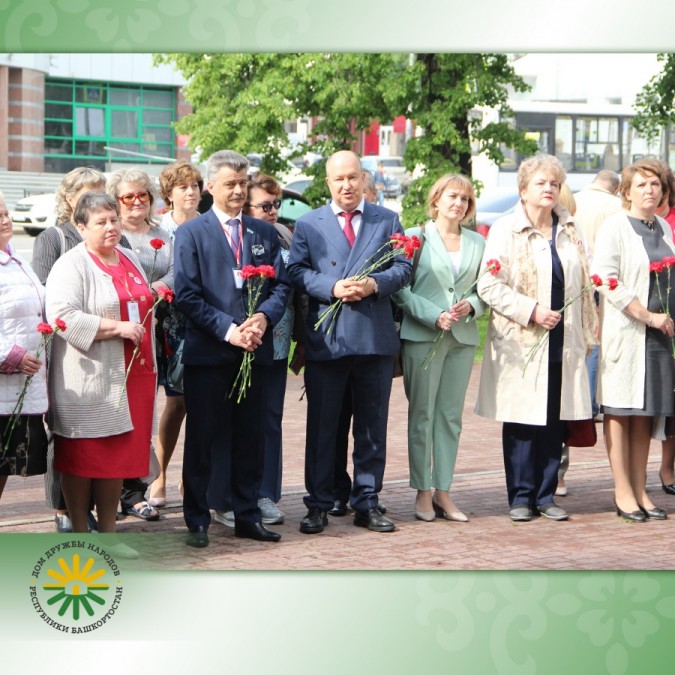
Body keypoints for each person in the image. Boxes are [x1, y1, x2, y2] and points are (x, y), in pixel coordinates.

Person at [287, 150, 412, 534]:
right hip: (329, 340)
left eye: (353, 177)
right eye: (339, 179)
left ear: (363, 179)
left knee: (372, 428)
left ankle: (367, 501)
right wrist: (331, 286)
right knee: (324, 428)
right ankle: (319, 503)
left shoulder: (386, 219)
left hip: (373, 339)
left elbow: (404, 267)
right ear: (328, 183)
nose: (347, 185)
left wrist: (375, 284)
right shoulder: (309, 224)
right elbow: (295, 271)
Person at [174, 150, 290, 548]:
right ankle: (197, 520)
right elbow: (187, 295)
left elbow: (281, 285)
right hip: (210, 354)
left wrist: (263, 319)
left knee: (250, 438)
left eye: (243, 183)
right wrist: (229, 330)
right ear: (210, 186)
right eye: (230, 184)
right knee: (203, 439)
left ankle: (247, 515)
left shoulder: (263, 233)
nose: (239, 191)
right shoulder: (191, 233)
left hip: (254, 351)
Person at [476, 154, 597, 522]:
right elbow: (488, 285)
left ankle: (546, 495)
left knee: (554, 419)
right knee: (523, 419)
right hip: (523, 340)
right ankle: (520, 496)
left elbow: (586, 280)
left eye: (554, 183)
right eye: (541, 183)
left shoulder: (570, 229)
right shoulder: (505, 229)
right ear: (523, 190)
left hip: (565, 338)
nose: (549, 189)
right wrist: (531, 310)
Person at [45, 192, 155, 535]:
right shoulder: (71, 264)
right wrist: (116, 328)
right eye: (101, 222)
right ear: (81, 228)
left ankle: (108, 533)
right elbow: (62, 317)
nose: (111, 227)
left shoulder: (128, 257)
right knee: (83, 458)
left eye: (113, 220)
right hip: (90, 380)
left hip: (132, 376)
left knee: (116, 459)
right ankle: (80, 529)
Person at [393, 174, 485, 522]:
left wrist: (473, 305)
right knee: (422, 415)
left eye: (465, 199)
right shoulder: (414, 237)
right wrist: (433, 315)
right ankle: (422, 490)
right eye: (452, 196)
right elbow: (400, 288)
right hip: (422, 336)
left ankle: (443, 491)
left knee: (450, 417)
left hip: (462, 339)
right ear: (436, 200)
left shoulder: (478, 242)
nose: (459, 203)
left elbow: (486, 288)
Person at [209, 172, 297, 527]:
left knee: (269, 419)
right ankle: (227, 496)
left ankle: (265, 493)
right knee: (230, 422)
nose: (273, 211)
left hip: (274, 340)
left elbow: (288, 286)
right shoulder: (233, 236)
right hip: (234, 339)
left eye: (276, 204)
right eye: (265, 205)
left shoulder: (283, 235)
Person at [591, 158, 675, 522]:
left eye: (655, 184)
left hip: (659, 337)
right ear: (626, 192)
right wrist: (646, 315)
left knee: (645, 413)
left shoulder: (663, 227)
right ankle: (623, 491)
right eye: (641, 185)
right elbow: (604, 279)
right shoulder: (615, 227)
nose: (649, 190)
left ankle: (641, 489)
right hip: (628, 332)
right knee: (620, 411)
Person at [31, 166, 108, 533]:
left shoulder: (114, 235)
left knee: (98, 431)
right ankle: (63, 507)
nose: (98, 200)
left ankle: (89, 507)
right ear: (69, 198)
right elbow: (47, 293)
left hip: (106, 352)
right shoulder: (54, 238)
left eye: (103, 192)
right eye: (89, 193)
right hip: (65, 348)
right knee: (63, 429)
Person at [107, 168, 173, 522]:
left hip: (158, 331)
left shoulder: (162, 234)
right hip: (119, 336)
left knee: (146, 413)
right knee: (119, 411)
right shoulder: (111, 234)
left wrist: (152, 291)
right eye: (128, 196)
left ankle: (135, 491)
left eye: (142, 195)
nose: (136, 202)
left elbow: (176, 270)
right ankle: (110, 490)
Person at [148, 161, 203, 508]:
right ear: (169, 193)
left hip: (201, 322)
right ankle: (160, 475)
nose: (190, 192)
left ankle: (190, 478)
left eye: (195, 185)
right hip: (164, 322)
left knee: (199, 403)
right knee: (175, 402)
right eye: (183, 186)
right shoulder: (160, 229)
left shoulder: (209, 225)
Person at [0, 191, 49, 498]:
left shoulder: (15, 259)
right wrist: (9, 355)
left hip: (19, 387)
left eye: (5, 213)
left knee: (4, 466)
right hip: (7, 379)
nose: (5, 220)